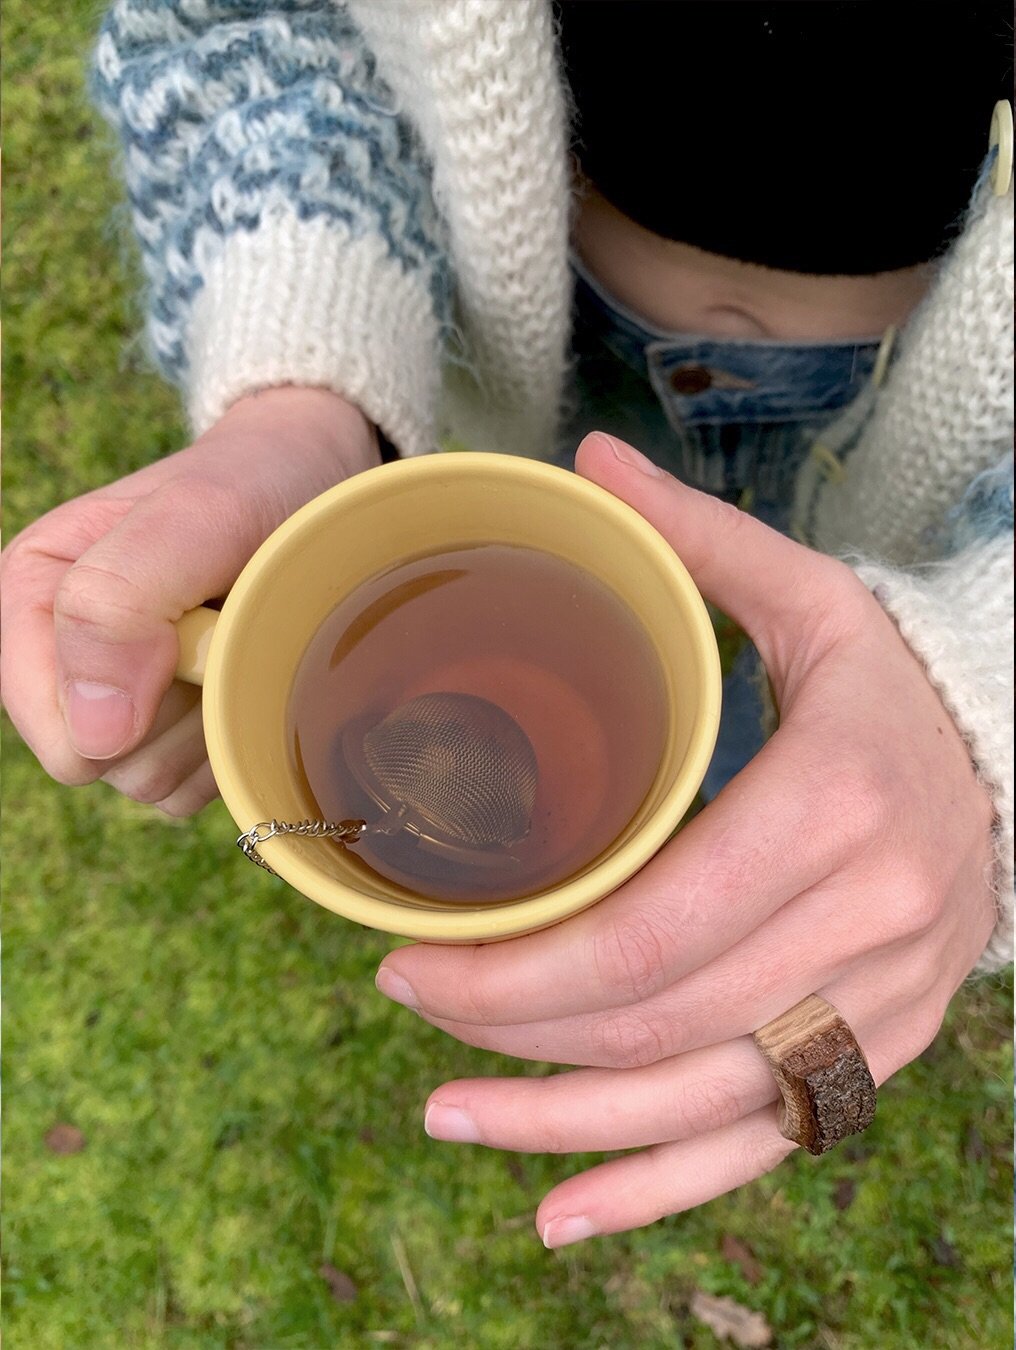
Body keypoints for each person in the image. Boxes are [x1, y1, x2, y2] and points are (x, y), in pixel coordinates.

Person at [1, 1, 1012, 1247]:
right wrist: (304, 375)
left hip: (970, 430)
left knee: (793, 757)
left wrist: (979, 715)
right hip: (540, 334)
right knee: (738, 753)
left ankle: (766, 822)